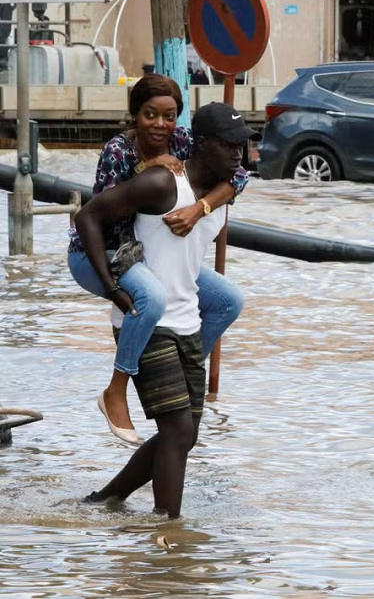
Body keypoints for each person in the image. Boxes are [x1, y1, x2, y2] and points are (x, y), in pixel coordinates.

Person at [77, 103, 257, 518]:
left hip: (187, 321)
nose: (237, 154)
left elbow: (237, 181)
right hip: (146, 318)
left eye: (241, 146)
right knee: (176, 429)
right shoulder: (161, 183)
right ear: (202, 144)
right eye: (228, 146)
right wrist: (110, 285)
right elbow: (89, 214)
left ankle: (105, 500)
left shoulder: (220, 193)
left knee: (186, 433)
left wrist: (207, 206)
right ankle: (168, 533)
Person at [67, 75, 248, 445]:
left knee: (228, 300)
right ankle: (116, 390)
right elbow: (97, 220)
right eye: (151, 115)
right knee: (151, 297)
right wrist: (113, 285)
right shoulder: (118, 151)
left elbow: (239, 176)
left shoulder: (182, 141)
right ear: (135, 115)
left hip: (147, 254)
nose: (160, 125)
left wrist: (200, 209)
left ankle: (183, 362)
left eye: (170, 116)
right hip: (99, 253)